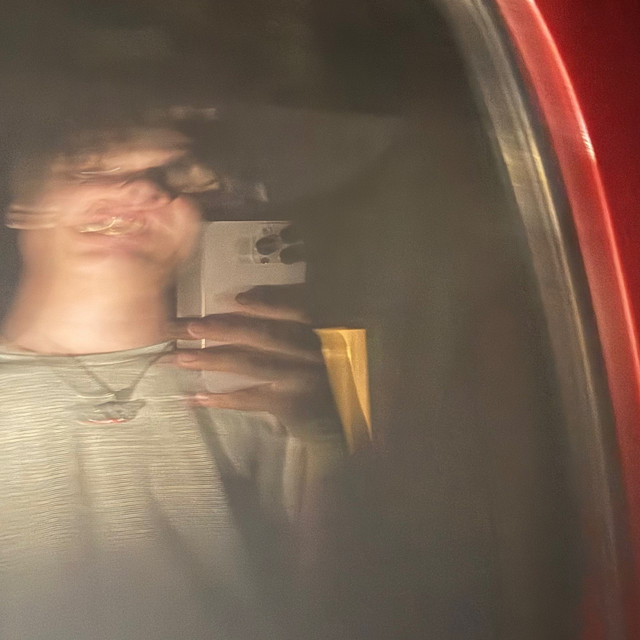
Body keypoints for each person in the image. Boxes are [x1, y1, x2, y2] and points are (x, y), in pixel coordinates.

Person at [0, 125, 345, 639]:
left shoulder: (256, 384)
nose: (144, 188)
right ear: (24, 204)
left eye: (174, 176)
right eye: (92, 164)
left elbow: (333, 608)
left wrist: (328, 446)